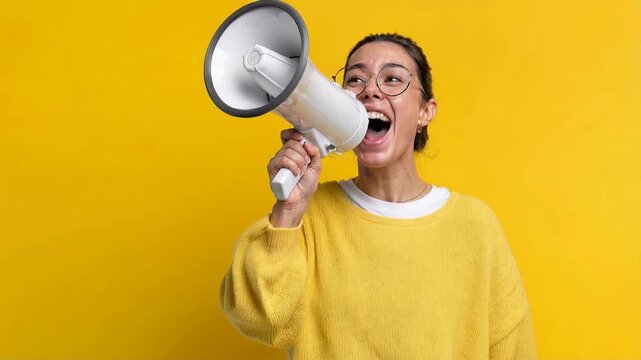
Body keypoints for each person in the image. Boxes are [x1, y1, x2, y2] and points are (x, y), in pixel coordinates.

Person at [219, 33, 538, 359]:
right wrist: (287, 211)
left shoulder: (475, 226)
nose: (370, 90)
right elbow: (260, 320)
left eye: (393, 78)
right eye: (355, 79)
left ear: (425, 112)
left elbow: (513, 350)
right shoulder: (306, 219)